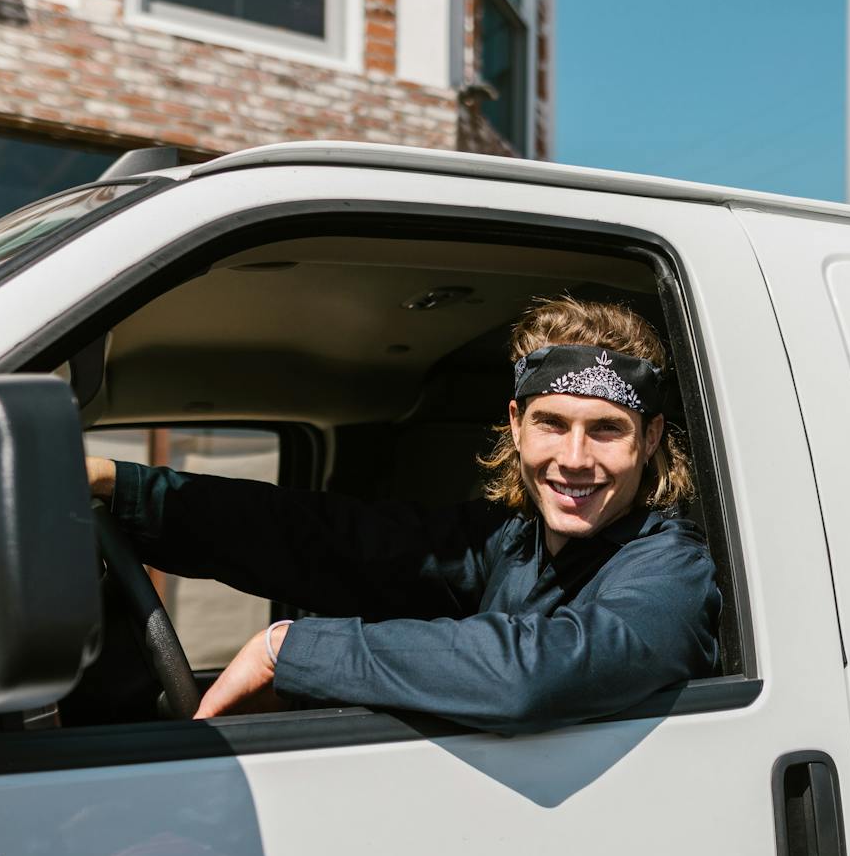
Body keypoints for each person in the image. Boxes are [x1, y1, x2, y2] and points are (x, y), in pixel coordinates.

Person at [84, 296, 721, 732]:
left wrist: (294, 650)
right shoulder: (510, 539)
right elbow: (331, 542)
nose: (574, 458)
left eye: (606, 430)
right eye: (551, 424)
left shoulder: (671, 569)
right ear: (516, 425)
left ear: (653, 437)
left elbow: (537, 671)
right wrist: (127, 490)